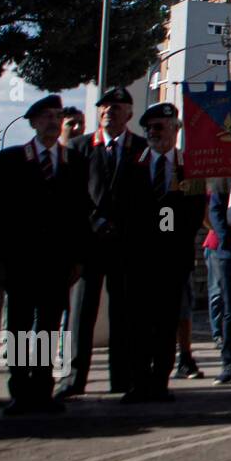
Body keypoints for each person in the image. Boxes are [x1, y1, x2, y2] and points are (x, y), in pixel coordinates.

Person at [0, 96, 89, 415]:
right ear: (33, 122)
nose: (52, 122)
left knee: (47, 326)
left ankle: (43, 389)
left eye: (57, 116)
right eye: (45, 117)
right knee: (18, 326)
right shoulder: (11, 161)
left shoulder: (73, 162)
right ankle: (20, 389)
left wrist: (78, 258)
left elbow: (79, 214)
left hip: (57, 262)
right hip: (20, 260)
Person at [60, 86, 147, 397]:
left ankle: (121, 379)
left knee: (123, 314)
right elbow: (70, 198)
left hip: (126, 246)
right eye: (105, 107)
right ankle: (73, 378)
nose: (109, 111)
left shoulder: (142, 149)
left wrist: (157, 233)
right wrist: (92, 221)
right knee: (81, 312)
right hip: (89, 244)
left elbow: (153, 202)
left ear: (129, 114)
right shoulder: (80, 148)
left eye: (116, 107)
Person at [122, 102, 205, 404]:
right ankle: (138, 381)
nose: (154, 133)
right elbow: (123, 209)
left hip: (172, 260)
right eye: (150, 128)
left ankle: (159, 381)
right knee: (138, 325)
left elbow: (193, 214)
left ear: (175, 130)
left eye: (160, 127)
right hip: (139, 261)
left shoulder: (188, 169)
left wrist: (166, 217)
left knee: (166, 324)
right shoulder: (134, 165)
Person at [204, 184, 231, 384]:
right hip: (222, 248)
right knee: (222, 301)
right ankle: (228, 359)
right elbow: (207, 214)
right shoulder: (218, 187)